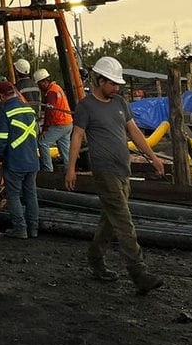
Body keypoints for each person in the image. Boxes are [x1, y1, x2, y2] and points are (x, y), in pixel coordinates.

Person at [65, 55, 165, 295]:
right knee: (124, 222)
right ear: (100, 81)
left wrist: (153, 157)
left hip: (123, 171)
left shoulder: (120, 103)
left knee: (110, 221)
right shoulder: (86, 107)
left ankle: (95, 259)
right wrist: (71, 168)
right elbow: (77, 137)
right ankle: (139, 273)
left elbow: (135, 133)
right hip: (105, 172)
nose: (116, 87)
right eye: (112, 83)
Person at [0, 80, 40, 239]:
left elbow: (2, 138)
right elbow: (36, 133)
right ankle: (33, 229)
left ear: (1, 96)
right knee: (31, 194)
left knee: (13, 195)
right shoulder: (29, 109)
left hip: (15, 161)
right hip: (32, 160)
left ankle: (20, 229)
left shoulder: (6, 111)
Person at [34, 67, 72, 171]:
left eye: (39, 83)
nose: (39, 86)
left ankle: (48, 170)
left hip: (60, 124)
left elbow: (49, 112)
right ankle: (69, 171)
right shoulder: (56, 87)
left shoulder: (50, 92)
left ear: (43, 82)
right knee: (65, 149)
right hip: (68, 122)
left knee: (42, 142)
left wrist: (45, 129)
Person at [13, 57, 42, 121]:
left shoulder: (17, 87)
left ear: (17, 72)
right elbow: (39, 103)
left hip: (24, 122)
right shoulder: (36, 85)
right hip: (35, 120)